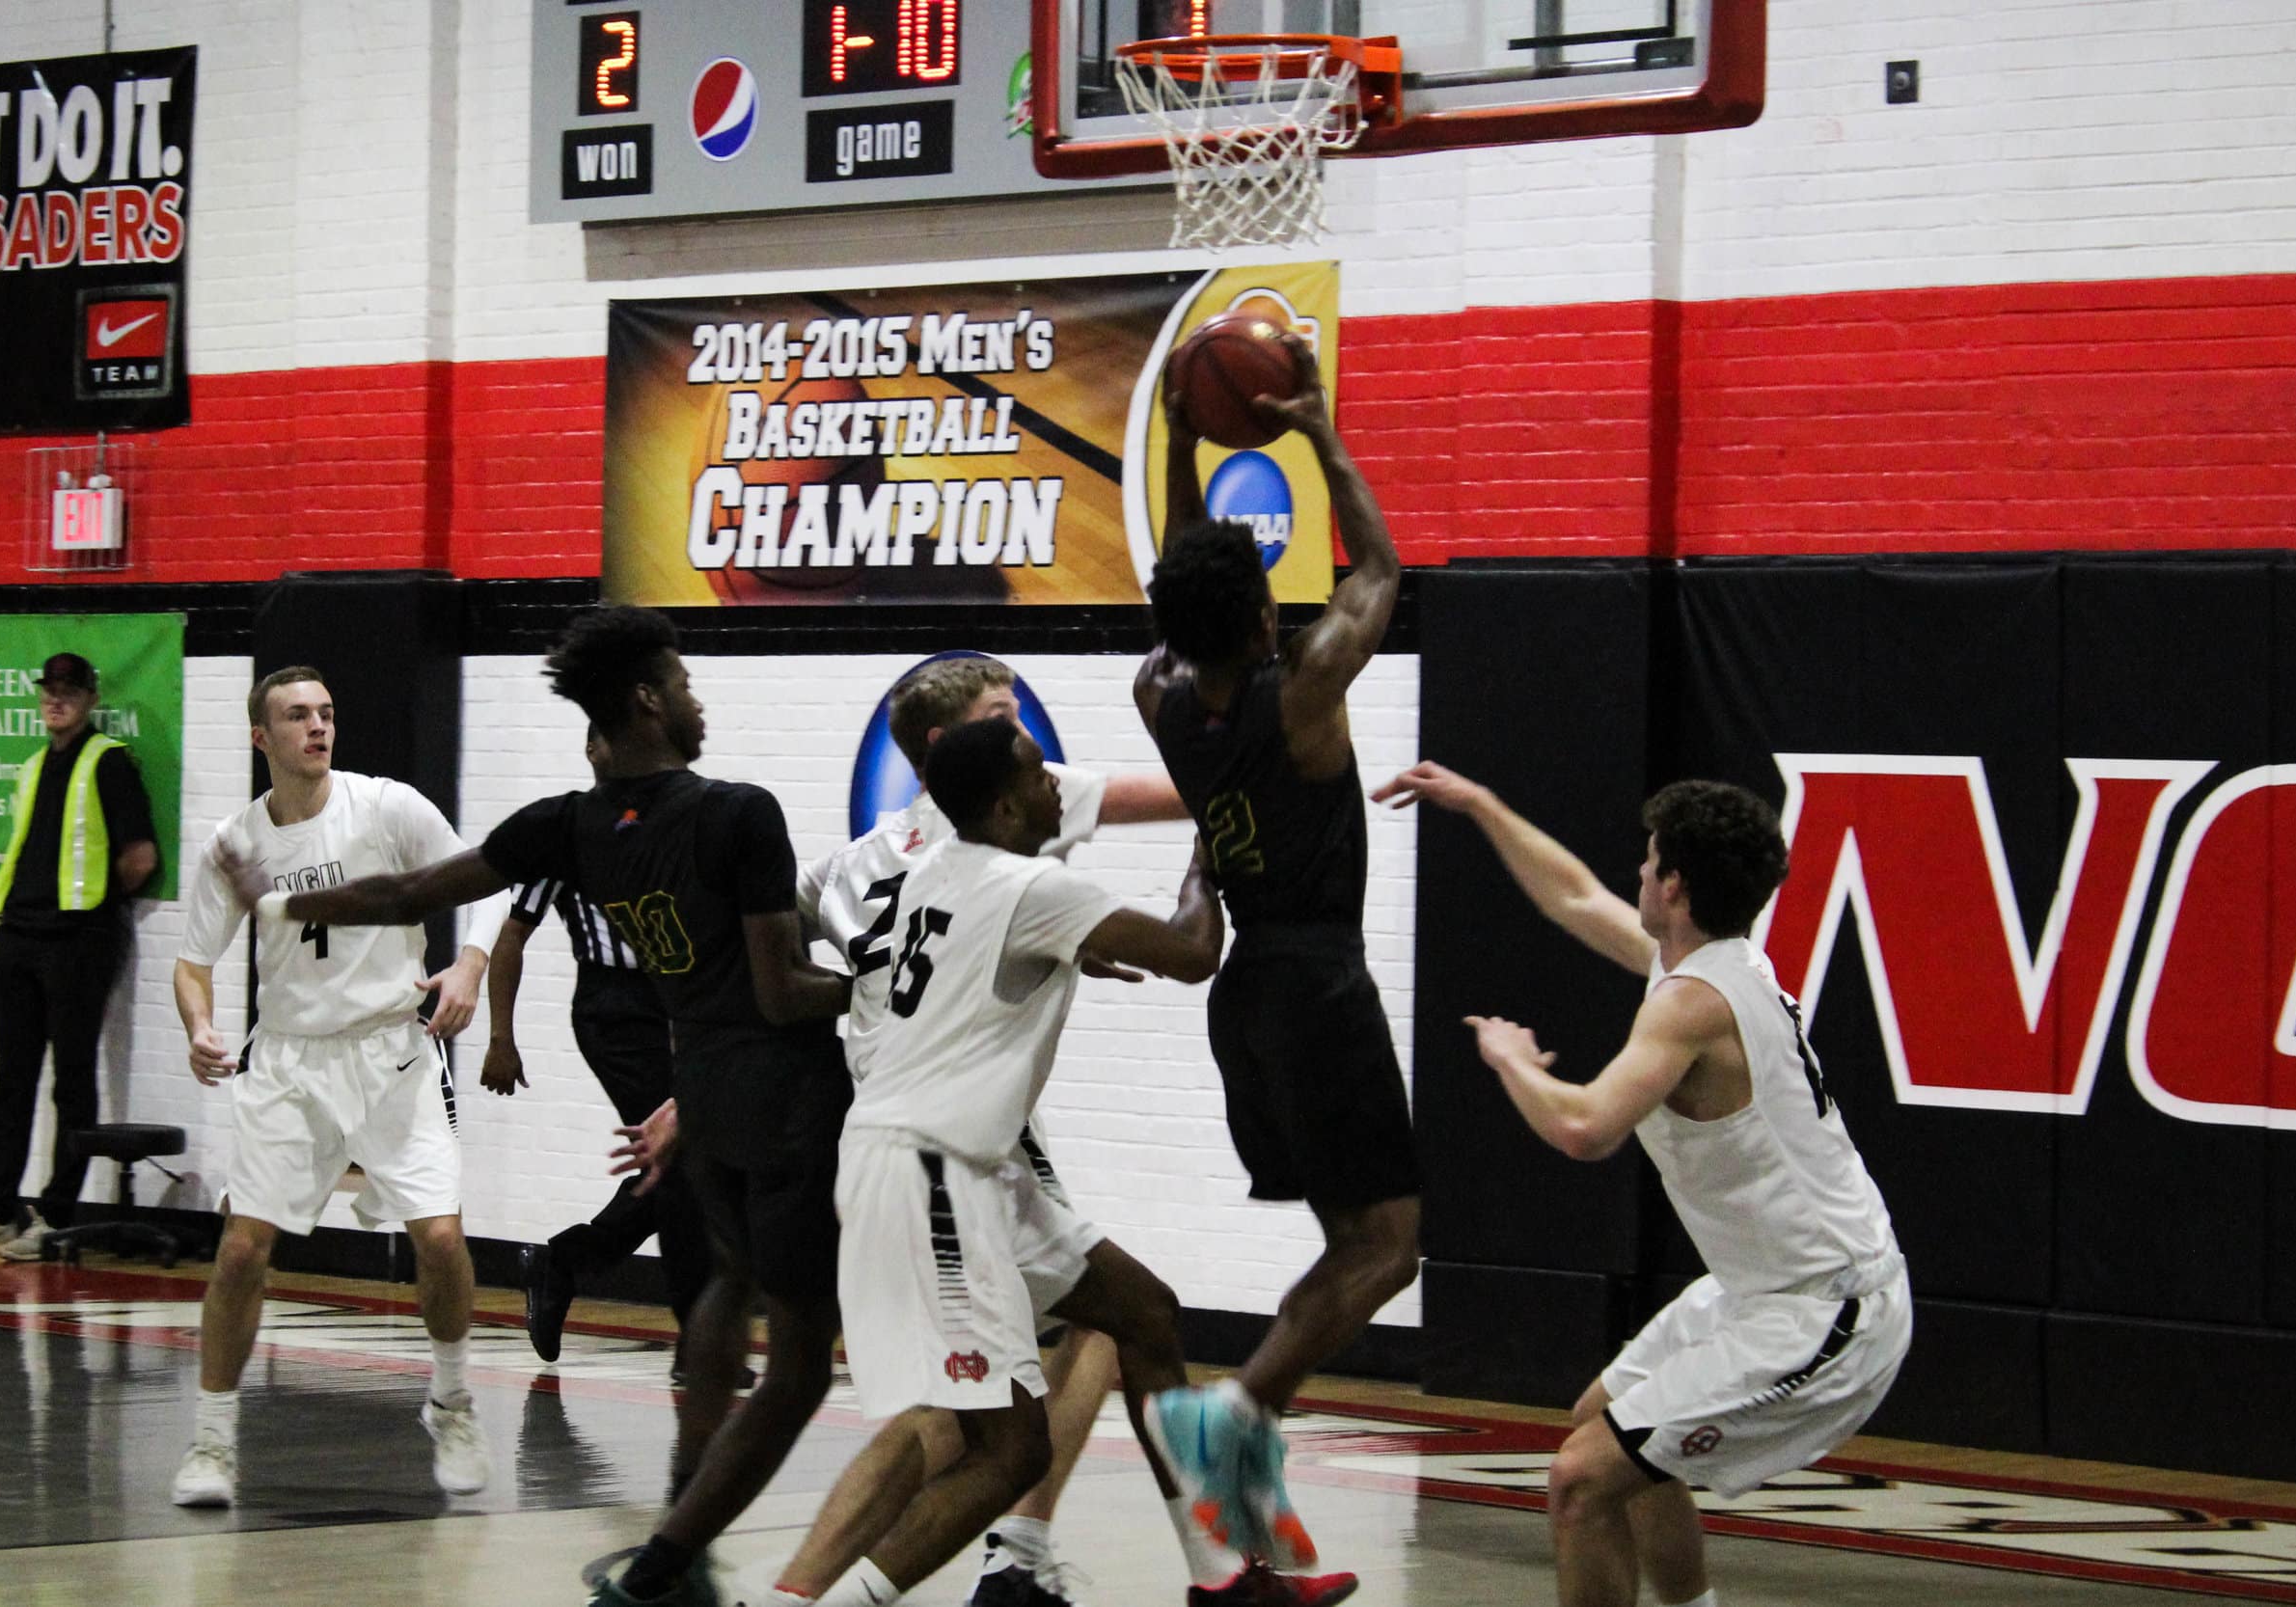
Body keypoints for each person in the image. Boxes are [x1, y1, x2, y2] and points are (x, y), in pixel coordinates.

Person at [203, 608, 853, 1607]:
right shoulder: (738, 812)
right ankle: (683, 1540)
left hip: (703, 1088)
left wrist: (284, 901)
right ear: (646, 699)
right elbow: (778, 993)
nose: (695, 697)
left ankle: (680, 1511)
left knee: (725, 1280)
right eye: (682, 682)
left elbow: (412, 890)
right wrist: (881, 982)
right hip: (782, 1090)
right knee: (804, 1351)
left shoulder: (572, 822)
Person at [1373, 762, 1913, 1607]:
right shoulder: (1712, 960)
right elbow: (1577, 897)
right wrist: (1478, 801)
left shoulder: (1693, 1004)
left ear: (1678, 885)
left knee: (1583, 1480)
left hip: (1827, 1309)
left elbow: (1586, 1128)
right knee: (1609, 1428)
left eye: (1650, 859)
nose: (1636, 873)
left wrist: (1513, 1063)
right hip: (1761, 1289)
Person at [747, 718, 1246, 1607]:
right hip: (931, 1174)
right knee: (1002, 1449)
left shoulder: (935, 869)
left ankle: (1223, 1579)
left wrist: (1068, 948)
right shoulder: (1029, 885)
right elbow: (1192, 952)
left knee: (1145, 1314)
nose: (1060, 787)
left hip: (955, 1165)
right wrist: (1210, 858)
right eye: (1040, 774)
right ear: (1008, 801)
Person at [1134, 335, 1415, 1584]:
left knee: (1347, 1233)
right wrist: (1314, 431)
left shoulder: (1159, 690)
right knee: (1391, 1242)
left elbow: (1187, 580)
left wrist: (1195, 443)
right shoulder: (1304, 688)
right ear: (1259, 611)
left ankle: (1259, 1522)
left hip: (1246, 994)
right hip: (1314, 980)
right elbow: (1380, 569)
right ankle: (1237, 1409)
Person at [169, 667, 506, 1510]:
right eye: (296, 716)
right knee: (244, 1248)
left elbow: (487, 889)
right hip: (287, 1062)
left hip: (390, 1052)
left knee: (438, 1239)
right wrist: (201, 1029)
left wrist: (467, 964)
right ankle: (212, 1441)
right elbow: (192, 962)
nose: (317, 727)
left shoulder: (387, 807)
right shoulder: (234, 843)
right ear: (262, 739)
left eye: (325, 712)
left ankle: (452, 1402)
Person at [482, 728, 713, 1369]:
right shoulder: (567, 831)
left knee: (684, 1159)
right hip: (612, 1009)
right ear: (591, 751)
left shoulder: (676, 822)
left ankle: (563, 1262)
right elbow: (511, 939)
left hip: (671, 1002)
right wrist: (502, 1037)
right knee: (678, 1165)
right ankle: (695, 1338)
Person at [0, 653, 160, 1262]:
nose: (55, 700)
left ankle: (56, 1216)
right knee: (12, 1080)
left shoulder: (107, 762)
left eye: (68, 690)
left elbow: (139, 858)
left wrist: (89, 914)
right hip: (17, 935)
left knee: (72, 1080)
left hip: (77, 941)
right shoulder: (33, 767)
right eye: (48, 690)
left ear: (89, 698)